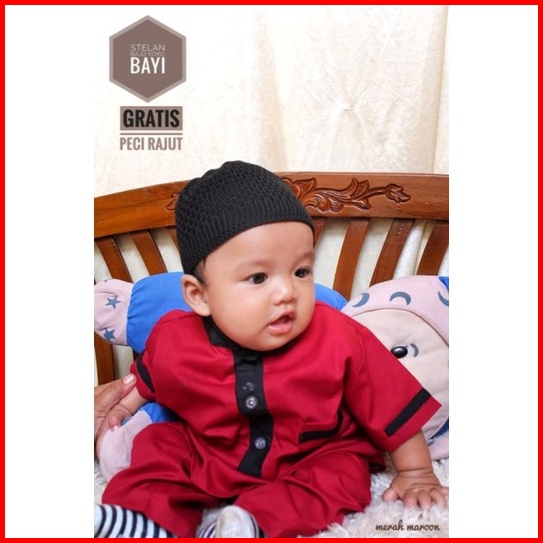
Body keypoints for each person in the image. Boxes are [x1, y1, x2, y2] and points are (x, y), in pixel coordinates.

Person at [95, 161, 448, 538]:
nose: (286, 292)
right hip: (209, 453)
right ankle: (142, 521)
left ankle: (249, 524)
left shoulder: (339, 336)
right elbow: (150, 377)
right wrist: (124, 406)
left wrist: (416, 472)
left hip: (311, 455)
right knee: (159, 446)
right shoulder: (174, 337)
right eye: (258, 277)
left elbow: (392, 403)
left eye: (301, 272)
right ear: (200, 296)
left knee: (345, 474)